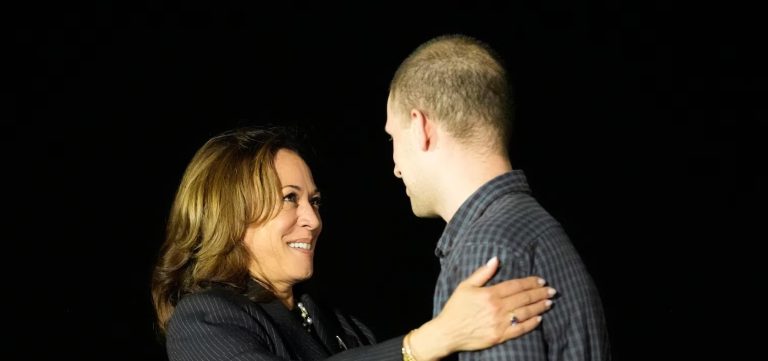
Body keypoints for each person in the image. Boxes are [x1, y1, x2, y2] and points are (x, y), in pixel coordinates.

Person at [151, 126, 557, 361]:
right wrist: (430, 340)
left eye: (314, 201)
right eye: (289, 198)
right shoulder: (203, 320)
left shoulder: (335, 321)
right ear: (232, 213)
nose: (313, 220)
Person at [384, 34, 611, 360]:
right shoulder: (534, 227)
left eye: (392, 137)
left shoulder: (486, 251)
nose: (396, 167)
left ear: (421, 127)